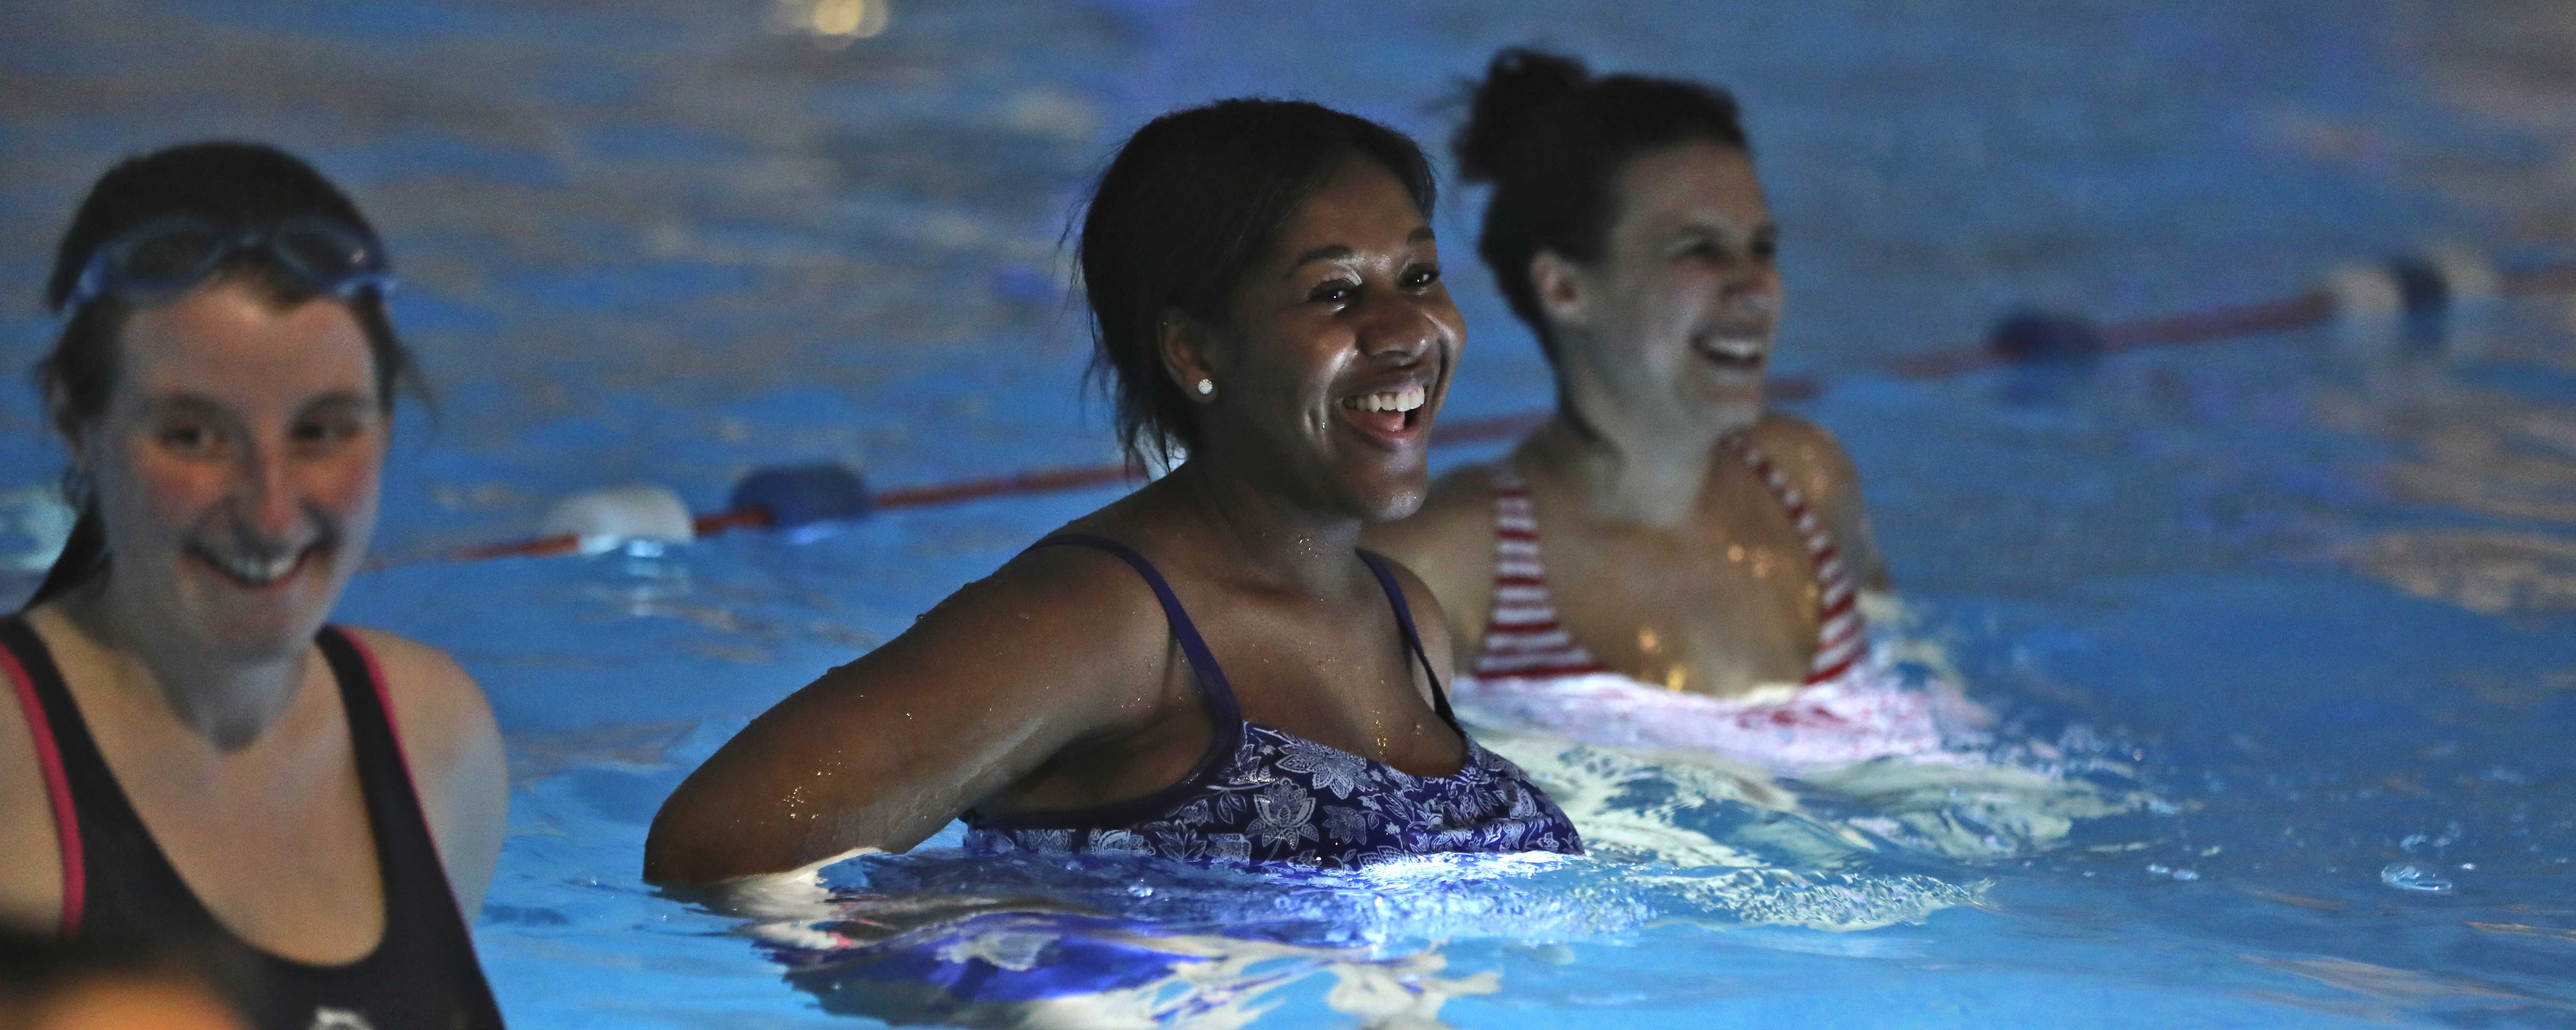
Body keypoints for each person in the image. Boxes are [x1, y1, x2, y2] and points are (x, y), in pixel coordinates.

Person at [646, 100, 1579, 882]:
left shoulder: (1403, 614)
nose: (1406, 327)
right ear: (1195, 352)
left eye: (1418, 276)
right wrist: (999, 979)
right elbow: (720, 843)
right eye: (1333, 293)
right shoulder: (1113, 621)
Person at [0, 143, 508, 1029]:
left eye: (322, 431)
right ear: (79, 427)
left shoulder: (435, 736)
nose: (272, 514)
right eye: (194, 437)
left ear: (385, 427)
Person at [1365, 50, 1946, 769]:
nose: (1756, 289)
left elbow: (1923, 700)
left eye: (1762, 248)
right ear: (1566, 289)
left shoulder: (1808, 480)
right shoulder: (1449, 567)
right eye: (1699, 250)